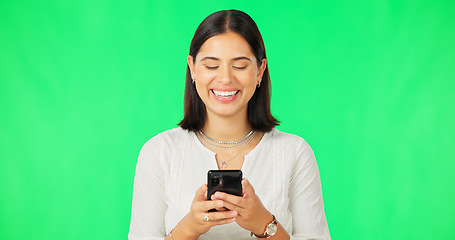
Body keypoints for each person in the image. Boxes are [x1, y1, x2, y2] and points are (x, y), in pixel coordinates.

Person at [128, 10, 330, 240]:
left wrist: (264, 223)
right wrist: (189, 228)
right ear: (193, 68)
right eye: (211, 65)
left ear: (260, 71)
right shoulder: (158, 152)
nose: (225, 78)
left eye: (240, 66)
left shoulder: (295, 152)